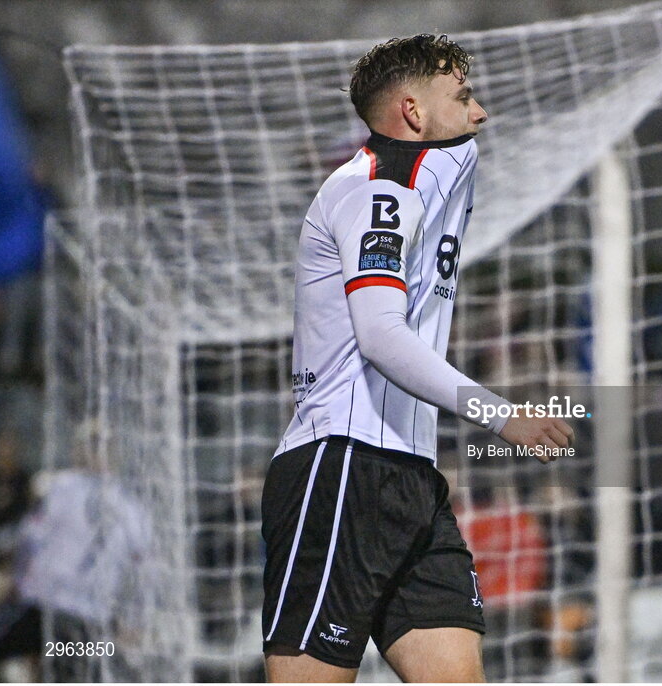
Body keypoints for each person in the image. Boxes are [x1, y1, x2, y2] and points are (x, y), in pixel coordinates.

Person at [261, 34, 573, 683]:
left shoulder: (426, 184)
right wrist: (501, 416)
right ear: (411, 111)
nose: (479, 112)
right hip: (342, 466)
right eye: (463, 97)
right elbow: (380, 336)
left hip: (412, 479)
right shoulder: (373, 191)